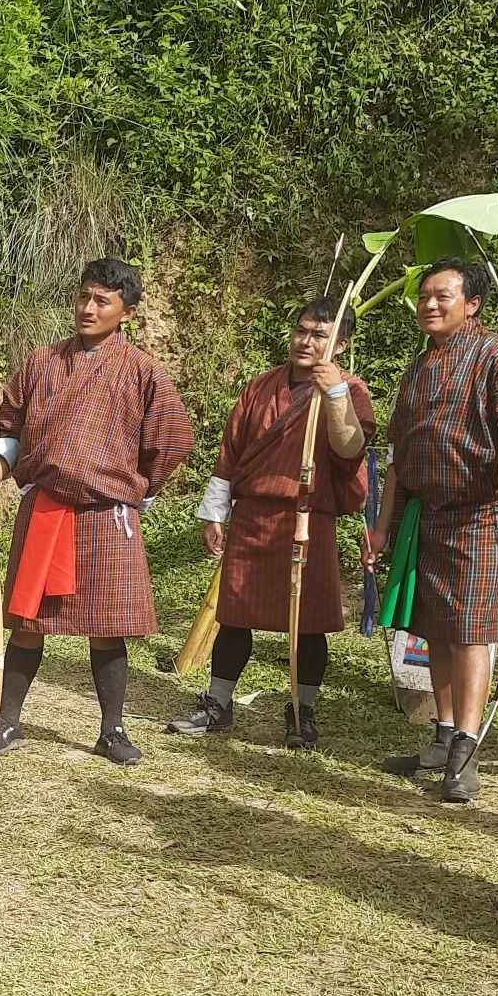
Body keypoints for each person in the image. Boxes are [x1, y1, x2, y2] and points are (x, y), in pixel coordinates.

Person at [0, 257, 193, 764]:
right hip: (46, 509)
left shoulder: (143, 372)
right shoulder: (41, 363)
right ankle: (7, 722)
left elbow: (173, 440)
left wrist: (135, 490)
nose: (88, 309)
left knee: (107, 627)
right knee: (28, 622)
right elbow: (9, 433)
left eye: (102, 301)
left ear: (126, 312)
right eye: (84, 297)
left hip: (108, 514)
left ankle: (112, 731)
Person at [168, 299, 374, 747]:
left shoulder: (351, 390)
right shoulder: (261, 387)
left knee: (309, 621)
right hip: (253, 514)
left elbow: (350, 450)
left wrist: (334, 394)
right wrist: (215, 511)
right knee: (235, 615)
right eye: (301, 331)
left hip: (308, 518)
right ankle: (218, 703)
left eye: (320, 336)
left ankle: (303, 711)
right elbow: (231, 451)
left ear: (340, 345)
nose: (306, 342)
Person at [365, 256, 498, 803]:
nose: (429, 304)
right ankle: (443, 735)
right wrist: (381, 527)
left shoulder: (496, 354)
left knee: (471, 629)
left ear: (472, 304)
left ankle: (466, 752)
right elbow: (399, 458)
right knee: (435, 626)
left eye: (442, 296)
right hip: (426, 514)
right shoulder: (418, 368)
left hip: (479, 512)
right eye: (424, 296)